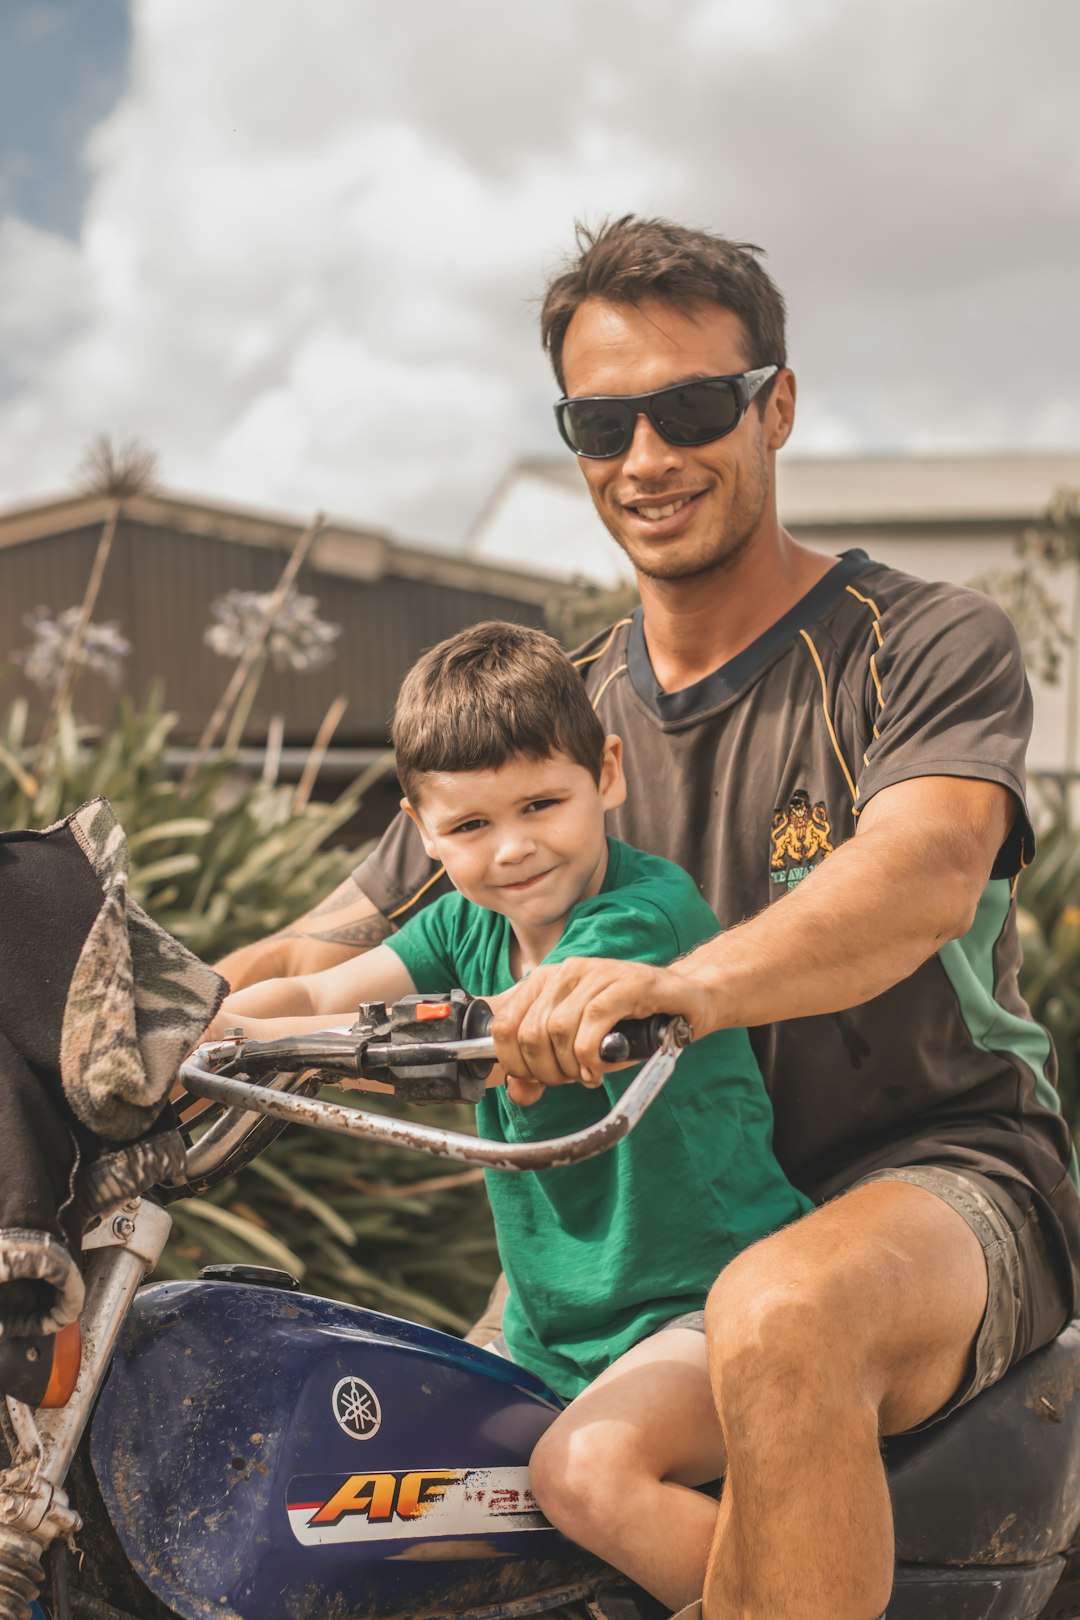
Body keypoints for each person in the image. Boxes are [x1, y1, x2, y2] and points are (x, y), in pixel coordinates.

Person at [217, 217, 1080, 1620]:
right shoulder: (548, 728)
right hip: (628, 1241)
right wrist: (138, 1011)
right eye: (601, 421)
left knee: (780, 1310)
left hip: (928, 1175)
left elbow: (919, 874)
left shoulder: (915, 641)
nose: (646, 458)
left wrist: (676, 986)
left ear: (775, 406)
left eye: (690, 408)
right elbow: (321, 949)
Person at [213, 619, 811, 1412]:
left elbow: (504, 1025)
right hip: (545, 1326)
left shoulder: (644, 916)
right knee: (401, 1469)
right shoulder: (464, 924)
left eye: (539, 804)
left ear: (606, 775)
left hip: (697, 1299)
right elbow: (319, 995)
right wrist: (204, 1025)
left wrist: (253, 1043)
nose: (512, 849)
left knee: (594, 1478)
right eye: (470, 825)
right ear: (422, 830)